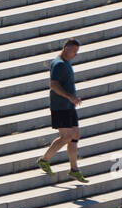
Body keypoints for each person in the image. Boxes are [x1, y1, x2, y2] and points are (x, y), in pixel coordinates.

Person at [38, 38, 88, 182]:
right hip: (60, 107)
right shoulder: (59, 64)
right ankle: (44, 159)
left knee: (75, 134)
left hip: (68, 106)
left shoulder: (66, 62)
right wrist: (69, 97)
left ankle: (74, 169)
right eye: (74, 51)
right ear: (66, 49)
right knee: (66, 136)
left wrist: (72, 98)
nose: (75, 55)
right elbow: (53, 85)